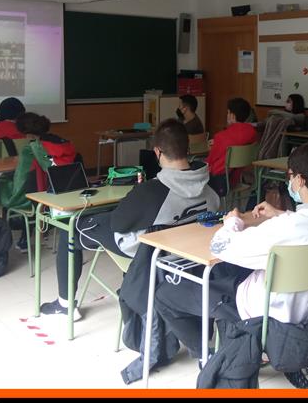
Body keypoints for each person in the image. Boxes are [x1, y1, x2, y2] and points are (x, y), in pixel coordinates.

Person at [154, 141, 308, 362]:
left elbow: (220, 247)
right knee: (223, 273)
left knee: (164, 294)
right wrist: (280, 214)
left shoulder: (283, 230)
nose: (289, 181)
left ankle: (206, 355)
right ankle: (227, 337)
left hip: (260, 311)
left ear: (299, 180)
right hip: (304, 304)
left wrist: (232, 222)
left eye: (290, 176)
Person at [39, 118, 220, 319]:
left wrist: (130, 199)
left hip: (151, 253)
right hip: (191, 252)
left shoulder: (153, 190)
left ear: (157, 152)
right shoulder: (210, 183)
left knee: (69, 229)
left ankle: (64, 305)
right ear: (188, 148)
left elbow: (118, 224)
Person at [2, 112, 80, 252]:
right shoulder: (62, 143)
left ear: (27, 134)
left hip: (37, 199)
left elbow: (21, 181)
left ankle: (15, 233)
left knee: (0, 186)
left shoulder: (30, 149)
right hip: (65, 195)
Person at [206, 98, 258, 196]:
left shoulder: (220, 137)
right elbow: (236, 140)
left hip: (220, 180)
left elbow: (209, 161)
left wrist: (212, 147)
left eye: (228, 113)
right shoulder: (252, 132)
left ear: (232, 116)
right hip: (238, 177)